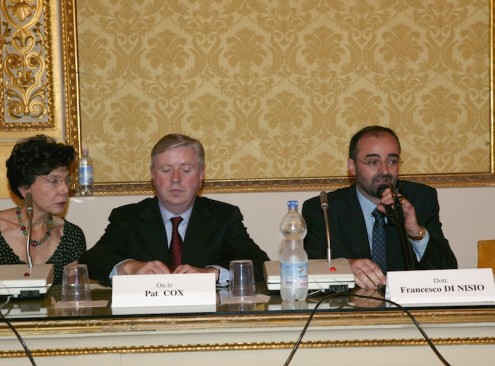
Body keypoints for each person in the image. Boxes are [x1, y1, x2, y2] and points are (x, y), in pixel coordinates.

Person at [80, 133, 269, 287]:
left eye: (186, 170)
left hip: (207, 323)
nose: (176, 179)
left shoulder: (224, 217)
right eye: (166, 170)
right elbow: (92, 260)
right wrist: (130, 267)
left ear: (201, 174)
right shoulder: (128, 218)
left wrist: (212, 273)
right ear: (153, 174)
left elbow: (260, 263)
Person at [302, 126, 457, 289]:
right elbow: (309, 269)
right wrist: (345, 267)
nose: (384, 171)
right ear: (352, 166)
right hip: (350, 309)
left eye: (392, 161)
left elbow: (449, 272)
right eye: (373, 162)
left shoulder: (421, 199)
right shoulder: (323, 208)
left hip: (409, 309)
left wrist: (415, 232)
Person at [0, 135, 87, 285]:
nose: (64, 189)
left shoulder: (71, 236)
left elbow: (72, 297)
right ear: (25, 188)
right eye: (54, 181)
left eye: (67, 180)